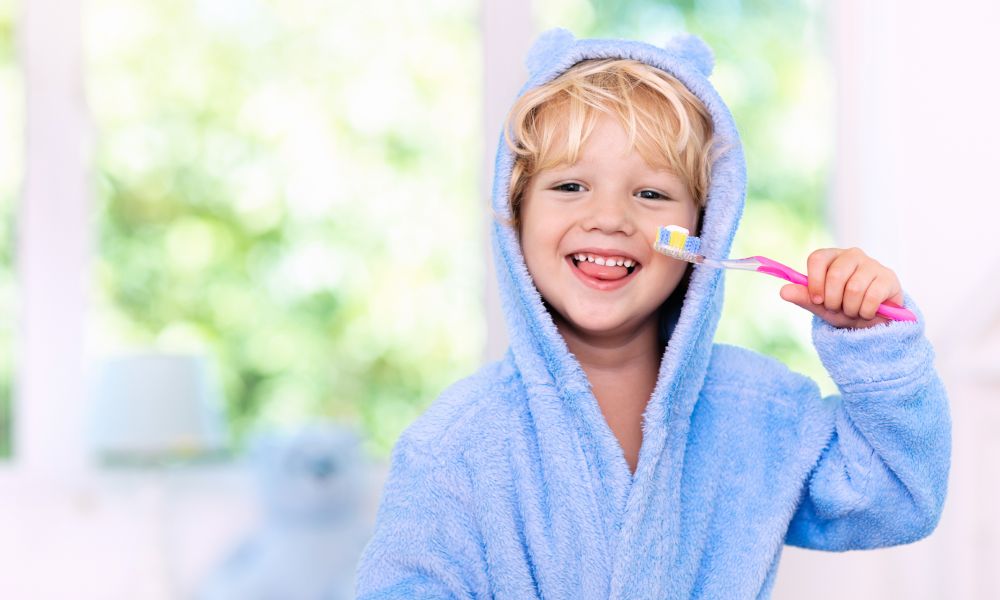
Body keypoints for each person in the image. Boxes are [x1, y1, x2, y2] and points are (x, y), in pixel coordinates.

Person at [354, 28, 950, 599]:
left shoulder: (760, 412)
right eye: (570, 187)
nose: (610, 219)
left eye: (651, 194)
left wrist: (874, 346)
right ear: (516, 212)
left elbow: (897, 498)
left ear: (703, 231)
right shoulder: (455, 448)